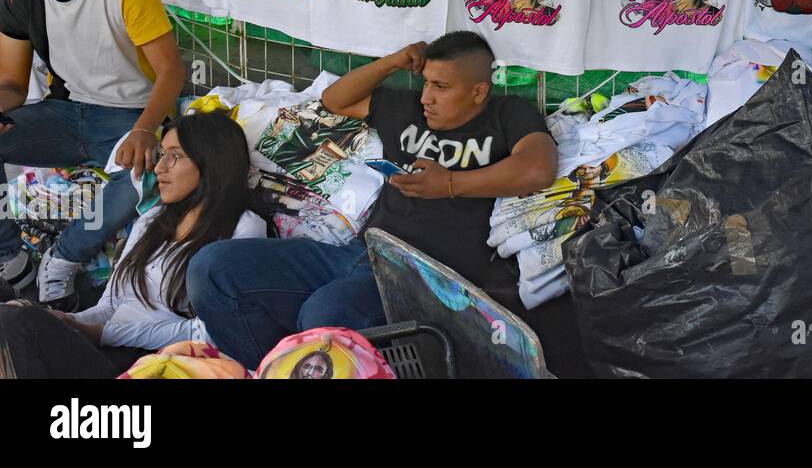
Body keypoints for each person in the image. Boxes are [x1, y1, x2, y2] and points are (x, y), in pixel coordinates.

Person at [188, 31, 588, 375]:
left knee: (326, 314)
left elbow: (536, 168)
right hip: (359, 254)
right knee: (213, 269)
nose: (427, 97)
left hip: (426, 277)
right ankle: (272, 370)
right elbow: (335, 101)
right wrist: (394, 61)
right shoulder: (408, 110)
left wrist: (449, 184)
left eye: (441, 87)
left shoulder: (506, 115)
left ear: (479, 91)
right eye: (426, 83)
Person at [0, 0, 185, 308]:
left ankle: (64, 257)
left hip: (129, 114)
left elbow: (171, 71)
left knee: (145, 173)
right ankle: (10, 261)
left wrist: (144, 129)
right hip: (64, 113)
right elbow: (11, 83)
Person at [0, 111, 264, 378]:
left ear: (213, 162)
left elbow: (212, 331)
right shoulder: (152, 220)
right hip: (107, 350)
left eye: (174, 156)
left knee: (16, 323)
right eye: (161, 155)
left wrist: (103, 334)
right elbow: (110, 307)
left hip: (159, 362)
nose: (159, 167)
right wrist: (70, 321)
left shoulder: (244, 227)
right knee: (12, 311)